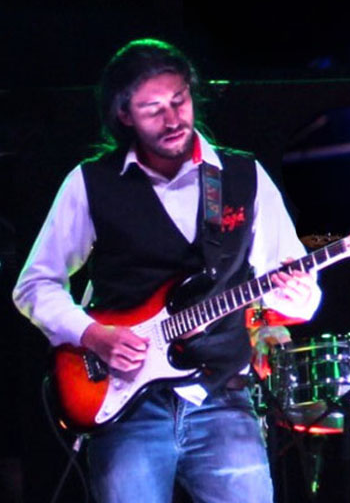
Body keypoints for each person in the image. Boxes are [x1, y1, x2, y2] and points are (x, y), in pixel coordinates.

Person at [13, 38, 321, 503]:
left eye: (179, 100)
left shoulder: (242, 176)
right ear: (124, 115)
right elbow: (35, 284)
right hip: (124, 402)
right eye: (152, 108)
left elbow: (290, 284)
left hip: (223, 396)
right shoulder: (91, 181)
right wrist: (93, 335)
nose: (173, 118)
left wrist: (301, 297)